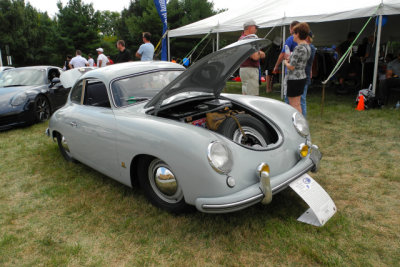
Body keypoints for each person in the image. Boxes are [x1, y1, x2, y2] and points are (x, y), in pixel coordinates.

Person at [283, 22, 311, 114]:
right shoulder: (307, 47)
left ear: (298, 34)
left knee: (293, 105)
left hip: (294, 79)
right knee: (298, 104)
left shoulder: (298, 48)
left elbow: (291, 67)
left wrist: (286, 62)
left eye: (294, 33)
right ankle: (300, 124)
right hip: (301, 77)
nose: (292, 35)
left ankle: (296, 125)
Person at [273, 21, 300, 101]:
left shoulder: (290, 39)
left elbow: (282, 54)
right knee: (299, 98)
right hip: (301, 71)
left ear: (292, 28)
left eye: (289, 28)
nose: (289, 30)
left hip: (290, 69)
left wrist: (276, 66)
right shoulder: (304, 40)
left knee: (288, 95)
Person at [238, 20, 265, 96]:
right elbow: (255, 57)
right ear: (250, 28)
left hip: (245, 69)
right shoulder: (247, 39)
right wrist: (260, 53)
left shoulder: (242, 38)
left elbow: (260, 55)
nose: (256, 29)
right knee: (253, 97)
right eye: (255, 27)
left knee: (245, 95)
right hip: (250, 69)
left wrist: (258, 53)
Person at [301, 31, 316, 118]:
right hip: (305, 73)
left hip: (304, 74)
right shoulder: (310, 47)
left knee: (302, 99)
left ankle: (303, 118)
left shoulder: (310, 48)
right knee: (301, 98)